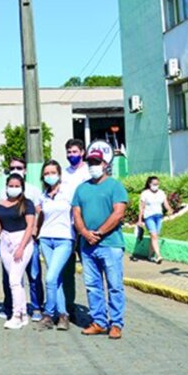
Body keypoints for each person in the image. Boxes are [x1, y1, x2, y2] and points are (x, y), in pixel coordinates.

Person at [72, 150, 129, 340]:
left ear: (105, 164)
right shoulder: (82, 188)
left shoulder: (115, 186)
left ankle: (116, 323)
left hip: (110, 244)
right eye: (90, 163)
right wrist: (85, 233)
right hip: (87, 246)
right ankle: (99, 321)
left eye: (96, 162)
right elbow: (76, 214)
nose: (93, 166)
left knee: (114, 285)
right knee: (92, 285)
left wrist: (99, 232)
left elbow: (118, 213)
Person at [1, 157, 43, 323]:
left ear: (25, 170)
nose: (15, 170)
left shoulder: (32, 191)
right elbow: (1, 215)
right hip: (8, 241)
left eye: (19, 167)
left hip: (26, 240)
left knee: (32, 275)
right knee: (12, 278)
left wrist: (34, 233)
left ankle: (35, 307)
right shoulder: (4, 193)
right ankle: (17, 310)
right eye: (12, 167)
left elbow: (38, 214)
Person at [34, 161, 74, 330]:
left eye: (53, 172)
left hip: (64, 239)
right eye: (47, 173)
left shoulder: (68, 193)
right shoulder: (43, 196)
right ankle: (63, 315)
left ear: (59, 174)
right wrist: (36, 231)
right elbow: (41, 216)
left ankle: (49, 313)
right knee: (55, 279)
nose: (50, 176)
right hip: (46, 239)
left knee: (50, 277)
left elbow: (76, 214)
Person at [0, 172, 36, 330]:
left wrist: (21, 247)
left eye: (17, 186)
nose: (13, 188)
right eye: (11, 186)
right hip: (5, 241)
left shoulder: (27, 204)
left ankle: (16, 315)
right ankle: (24, 313)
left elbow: (30, 226)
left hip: (21, 241)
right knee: (16, 281)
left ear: (22, 187)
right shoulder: (2, 203)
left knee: (14, 279)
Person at [59, 138, 90, 320]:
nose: (72, 155)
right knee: (67, 270)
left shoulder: (88, 172)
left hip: (86, 228)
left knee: (90, 268)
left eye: (75, 152)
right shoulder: (63, 174)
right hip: (68, 228)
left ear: (82, 152)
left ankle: (95, 309)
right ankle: (69, 307)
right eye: (69, 152)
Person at [137, 176, 172, 265]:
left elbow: (166, 204)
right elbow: (141, 207)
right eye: (154, 184)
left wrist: (170, 210)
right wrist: (140, 220)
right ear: (149, 184)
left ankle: (149, 255)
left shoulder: (161, 193)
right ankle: (158, 255)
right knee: (154, 235)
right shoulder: (145, 193)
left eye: (157, 184)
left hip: (158, 216)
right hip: (149, 216)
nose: (156, 186)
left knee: (155, 236)